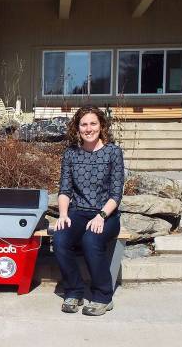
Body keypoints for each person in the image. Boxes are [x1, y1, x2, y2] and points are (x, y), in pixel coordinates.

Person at [53, 106, 124, 316]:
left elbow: (116, 193)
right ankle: (74, 290)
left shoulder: (113, 152)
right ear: (78, 128)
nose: (88, 128)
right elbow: (65, 189)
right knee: (60, 239)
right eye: (84, 124)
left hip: (107, 213)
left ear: (101, 126)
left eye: (93, 123)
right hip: (78, 212)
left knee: (91, 240)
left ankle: (103, 296)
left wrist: (101, 215)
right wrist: (63, 214)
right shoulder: (71, 154)